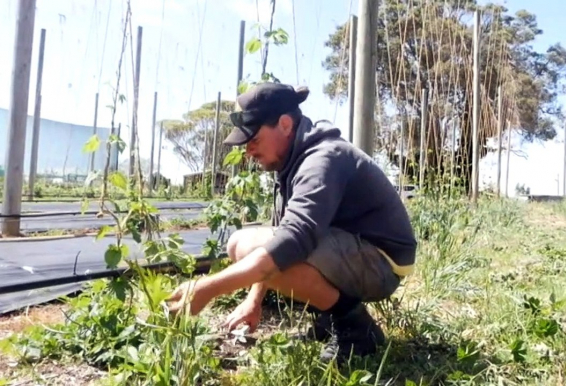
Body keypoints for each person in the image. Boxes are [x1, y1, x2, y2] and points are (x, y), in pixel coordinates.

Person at [166, 82, 417, 363]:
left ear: (285, 124)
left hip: (380, 263)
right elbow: (282, 238)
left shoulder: (321, 160)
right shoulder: (293, 160)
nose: (248, 151)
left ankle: (355, 328)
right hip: (354, 250)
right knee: (253, 245)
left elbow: (292, 240)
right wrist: (254, 299)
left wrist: (207, 288)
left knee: (243, 244)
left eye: (254, 140)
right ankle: (329, 316)